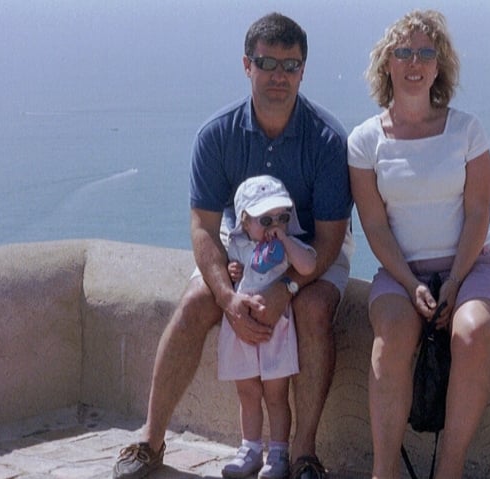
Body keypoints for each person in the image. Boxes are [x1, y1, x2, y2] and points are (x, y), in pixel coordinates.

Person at [113, 12, 352, 479]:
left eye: (291, 65)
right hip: (239, 244)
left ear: (303, 70)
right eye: (268, 63)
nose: (279, 75)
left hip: (308, 251)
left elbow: (330, 240)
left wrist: (288, 289)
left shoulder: (326, 139)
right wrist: (227, 295)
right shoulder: (216, 135)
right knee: (197, 301)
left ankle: (302, 454)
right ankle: (149, 438)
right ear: (247, 65)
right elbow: (203, 228)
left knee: (315, 309)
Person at [347, 9, 490, 479]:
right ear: (388, 64)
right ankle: (385, 472)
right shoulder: (365, 141)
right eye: (404, 52)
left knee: (472, 333)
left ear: (439, 66)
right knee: (392, 337)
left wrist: (457, 279)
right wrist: (410, 283)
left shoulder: (467, 130)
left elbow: (479, 213)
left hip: (470, 265)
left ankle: (450, 469)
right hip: (401, 273)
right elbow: (375, 226)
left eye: (424, 53)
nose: (414, 62)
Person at [219, 175, 317, 479]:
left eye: (282, 217)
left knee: (276, 394)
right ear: (245, 222)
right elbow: (228, 270)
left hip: (276, 331)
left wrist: (287, 240)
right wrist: (230, 269)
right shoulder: (237, 245)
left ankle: (278, 451)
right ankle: (250, 448)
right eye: (265, 219)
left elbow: (309, 266)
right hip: (242, 328)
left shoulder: (287, 247)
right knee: (247, 392)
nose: (275, 225)